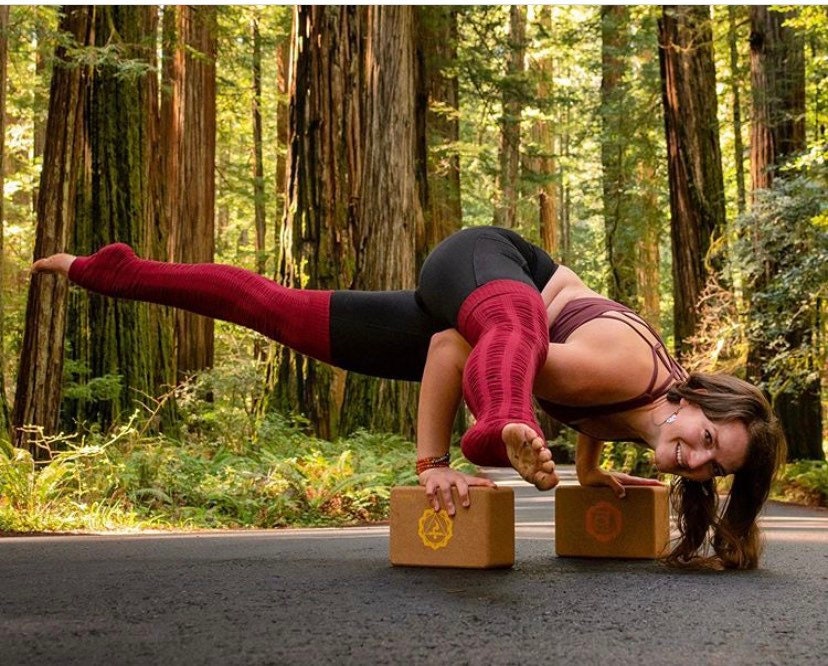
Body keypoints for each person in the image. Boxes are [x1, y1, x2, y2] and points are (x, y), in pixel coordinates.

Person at [32, 226, 785, 570]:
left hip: (457, 319)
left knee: (283, 312)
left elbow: (443, 348)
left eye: (709, 472)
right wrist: (448, 454)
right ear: (694, 401)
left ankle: (114, 271)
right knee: (513, 331)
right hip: (483, 263)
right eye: (707, 441)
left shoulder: (649, 414)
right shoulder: (628, 367)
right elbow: (487, 351)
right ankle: (502, 420)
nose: (692, 462)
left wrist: (588, 472)